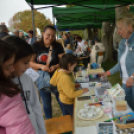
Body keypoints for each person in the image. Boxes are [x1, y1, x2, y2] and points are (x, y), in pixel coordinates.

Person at [3, 36, 47, 134]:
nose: (28, 67)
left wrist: (42, 131)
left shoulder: (27, 79)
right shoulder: (3, 87)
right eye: (25, 62)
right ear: (11, 60)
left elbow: (36, 107)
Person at [99, 13, 134, 111]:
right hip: (125, 83)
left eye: (120, 29)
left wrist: (132, 77)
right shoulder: (123, 42)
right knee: (127, 109)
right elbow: (120, 63)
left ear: (130, 27)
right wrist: (107, 73)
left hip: (132, 80)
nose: (118, 32)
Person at [0, 39, 35, 134]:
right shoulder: (8, 94)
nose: (12, 69)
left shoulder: (27, 80)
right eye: (8, 67)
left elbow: (35, 106)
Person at [31, 25, 65, 119]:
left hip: (56, 78)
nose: (50, 38)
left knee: (61, 99)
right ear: (43, 34)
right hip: (42, 79)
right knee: (46, 102)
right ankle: (49, 121)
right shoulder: (35, 46)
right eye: (48, 35)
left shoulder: (57, 46)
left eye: (53, 36)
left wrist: (55, 66)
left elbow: (63, 61)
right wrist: (41, 66)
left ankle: (67, 119)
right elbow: (30, 63)